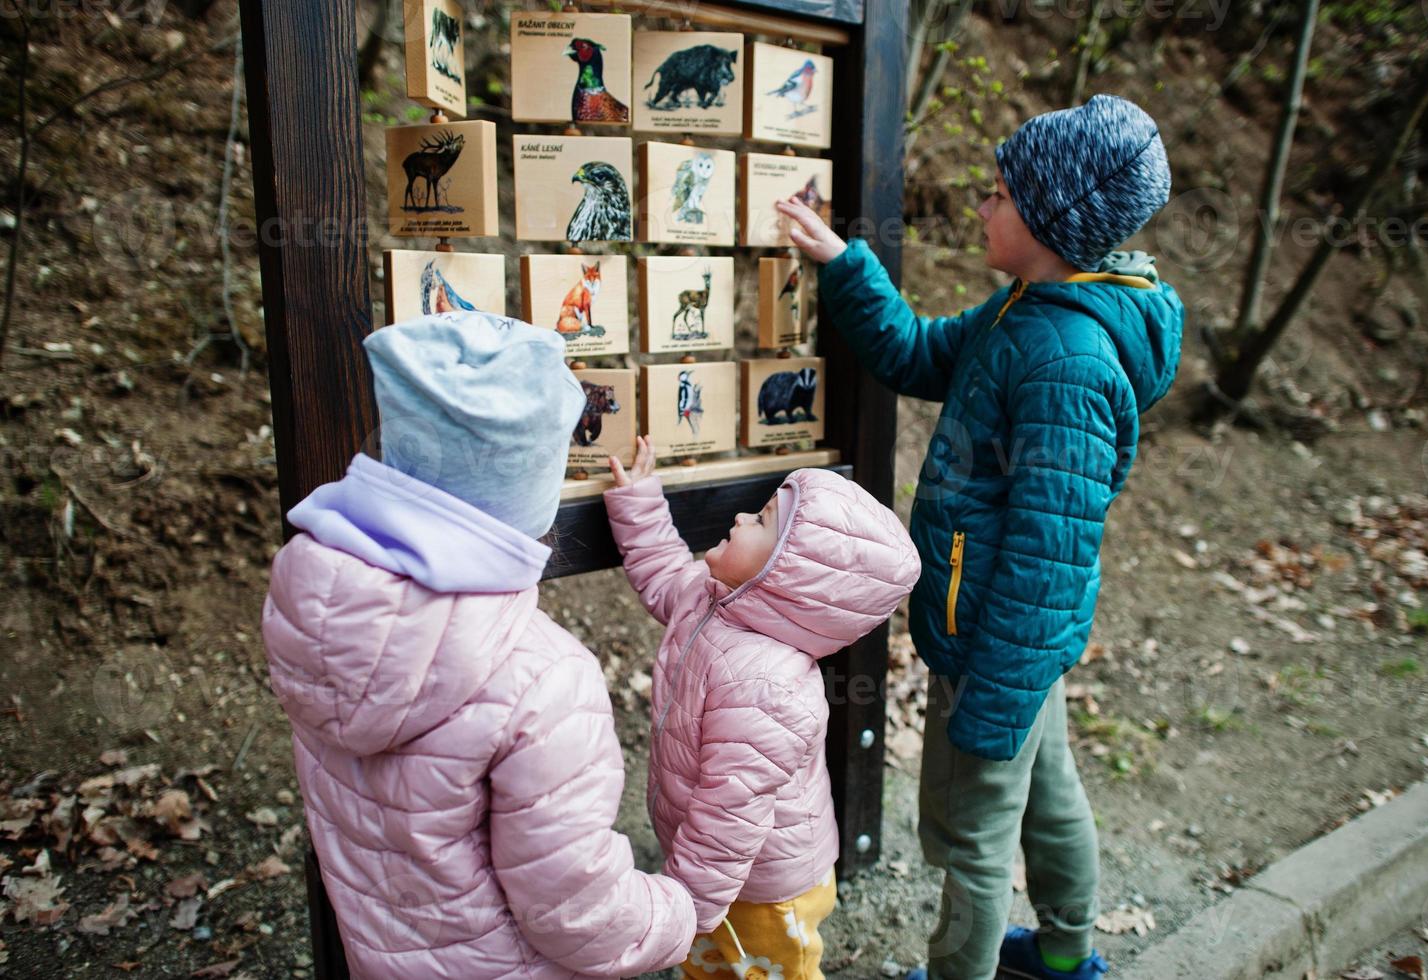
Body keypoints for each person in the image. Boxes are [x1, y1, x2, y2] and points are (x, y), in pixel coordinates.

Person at [777, 94, 1185, 979]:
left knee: (973, 833)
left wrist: (995, 689)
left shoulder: (1065, 362)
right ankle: (1068, 956)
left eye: (998, 193)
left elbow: (1049, 554)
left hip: (999, 648)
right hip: (1013, 645)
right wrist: (846, 265)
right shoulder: (1026, 310)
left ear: (1048, 220)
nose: (981, 205)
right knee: (1045, 797)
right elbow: (918, 353)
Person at [260, 312, 696, 978]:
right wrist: (673, 912)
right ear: (530, 489)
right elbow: (574, 911)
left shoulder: (316, 601)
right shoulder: (544, 680)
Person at [603, 436, 921, 979]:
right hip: (712, 871)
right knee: (711, 970)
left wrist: (691, 905)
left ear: (787, 574)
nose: (743, 515)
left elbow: (731, 815)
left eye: (763, 519)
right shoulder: (712, 600)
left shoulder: (769, 687)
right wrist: (639, 500)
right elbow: (661, 569)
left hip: (763, 888)